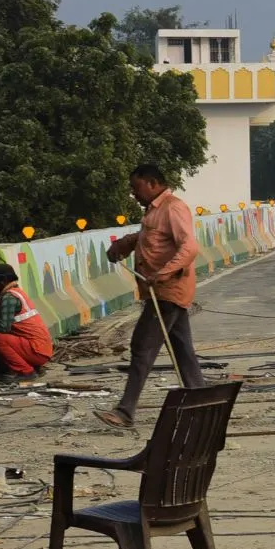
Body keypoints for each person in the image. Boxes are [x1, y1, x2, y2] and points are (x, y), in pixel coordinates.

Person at [95, 164, 206, 429]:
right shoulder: (155, 212)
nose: (134, 194)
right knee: (182, 350)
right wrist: (126, 244)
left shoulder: (174, 208)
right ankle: (202, 402)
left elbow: (189, 247)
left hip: (167, 291)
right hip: (161, 292)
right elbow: (151, 237)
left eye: (137, 187)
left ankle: (125, 411)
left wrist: (165, 273)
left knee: (142, 348)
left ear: (153, 183)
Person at [0, 264, 54, 382]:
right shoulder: (18, 292)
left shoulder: (8, 297)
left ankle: (26, 371)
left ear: (3, 281)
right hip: (42, 349)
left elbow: (3, 326)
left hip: (37, 350)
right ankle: (34, 367)